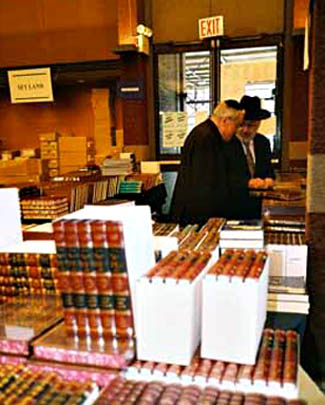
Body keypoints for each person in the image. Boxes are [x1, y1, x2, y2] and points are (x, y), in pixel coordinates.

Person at [170, 100, 244, 226]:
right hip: (197, 217)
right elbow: (205, 186)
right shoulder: (206, 138)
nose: (236, 131)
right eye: (236, 126)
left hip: (197, 213)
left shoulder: (206, 133)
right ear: (226, 120)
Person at [225, 95, 276, 219]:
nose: (246, 130)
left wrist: (269, 179)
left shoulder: (263, 142)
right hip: (232, 208)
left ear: (259, 124)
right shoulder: (226, 143)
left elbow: (268, 170)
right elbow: (223, 177)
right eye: (242, 125)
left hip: (258, 208)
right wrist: (248, 183)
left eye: (251, 125)